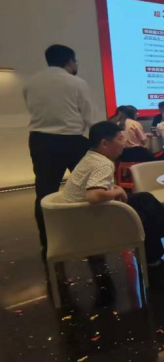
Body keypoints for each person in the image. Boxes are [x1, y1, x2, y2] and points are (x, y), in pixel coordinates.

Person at [62, 121, 164, 264]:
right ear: (105, 143)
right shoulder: (103, 163)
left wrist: (116, 190)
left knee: (144, 199)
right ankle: (158, 253)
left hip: (76, 215)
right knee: (143, 217)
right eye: (119, 139)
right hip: (90, 218)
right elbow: (94, 196)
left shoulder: (91, 157)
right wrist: (118, 191)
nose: (123, 143)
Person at [23, 45, 97, 252]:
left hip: (40, 141)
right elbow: (90, 118)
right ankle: (93, 236)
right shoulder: (76, 83)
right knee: (89, 189)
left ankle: (48, 242)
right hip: (73, 141)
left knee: (44, 192)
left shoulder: (30, 83)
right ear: (71, 62)